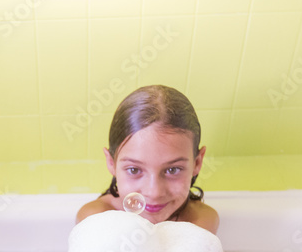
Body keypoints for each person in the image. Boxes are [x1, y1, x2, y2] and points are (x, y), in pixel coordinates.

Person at [75, 84, 221, 234]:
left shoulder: (200, 221)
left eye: (173, 169)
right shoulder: (95, 219)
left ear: (197, 162)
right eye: (134, 170)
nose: (154, 192)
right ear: (111, 163)